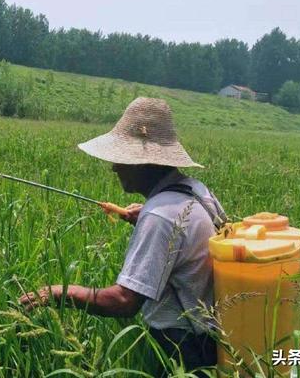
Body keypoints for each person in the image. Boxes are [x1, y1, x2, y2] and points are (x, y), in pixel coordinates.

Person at [19, 97, 226, 377]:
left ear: (143, 163)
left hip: (183, 350)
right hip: (215, 338)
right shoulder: (196, 191)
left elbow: (124, 301)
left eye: (121, 159)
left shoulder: (160, 216)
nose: (114, 167)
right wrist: (151, 216)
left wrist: (59, 292)